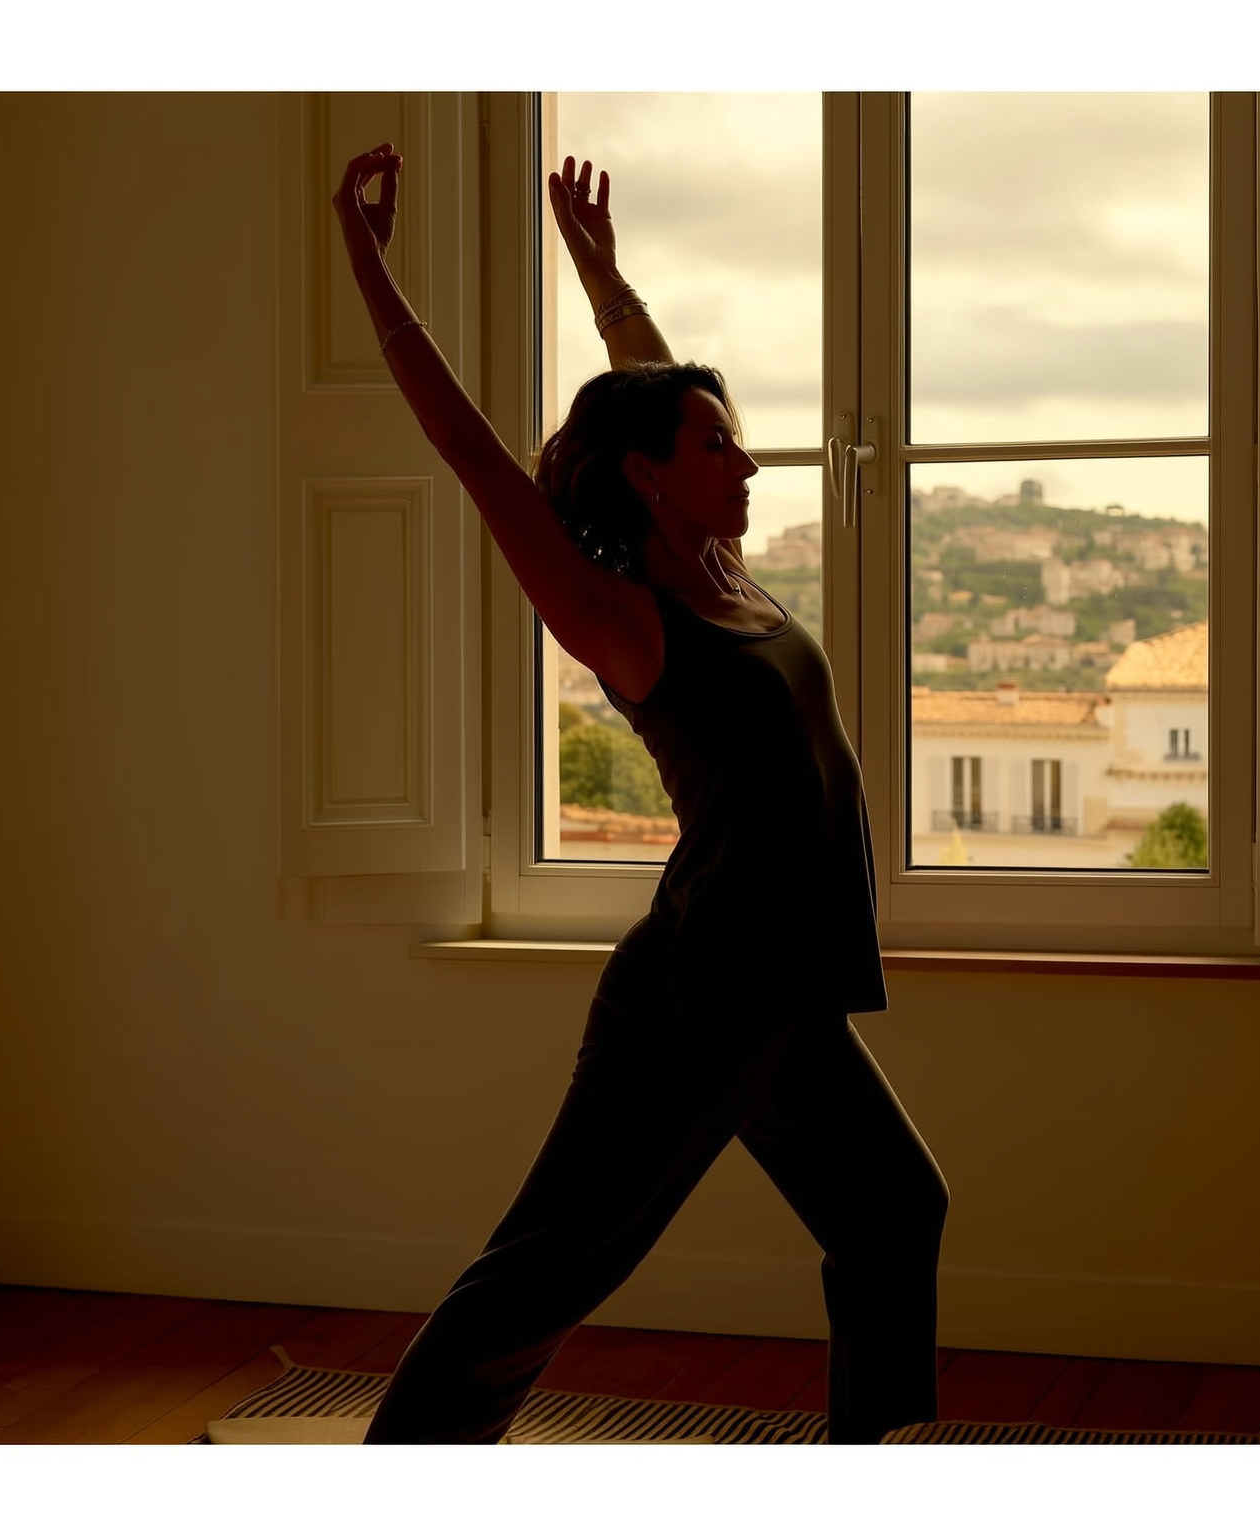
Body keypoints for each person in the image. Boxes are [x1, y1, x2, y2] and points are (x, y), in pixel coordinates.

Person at [332, 142, 950, 1446]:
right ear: (647, 476)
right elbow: (464, 445)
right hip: (697, 1002)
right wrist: (368, 265)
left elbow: (657, 394)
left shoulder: (727, 570)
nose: (748, 465)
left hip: (781, 988)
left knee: (895, 1211)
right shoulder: (623, 619)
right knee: (544, 1273)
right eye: (719, 446)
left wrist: (603, 276)